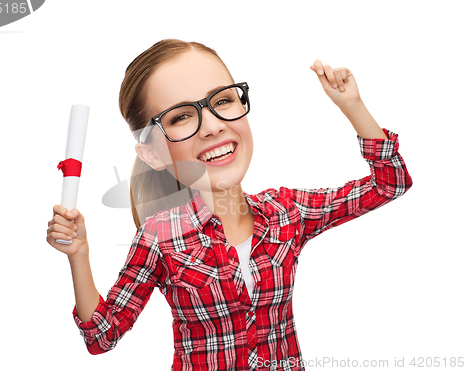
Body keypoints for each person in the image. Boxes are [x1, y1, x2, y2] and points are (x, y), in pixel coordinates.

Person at [46, 39, 413, 371]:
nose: (212, 127)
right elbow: (102, 337)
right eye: (181, 116)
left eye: (222, 100)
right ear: (151, 154)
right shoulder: (159, 237)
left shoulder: (286, 211)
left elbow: (390, 183)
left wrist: (353, 106)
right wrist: (78, 255)